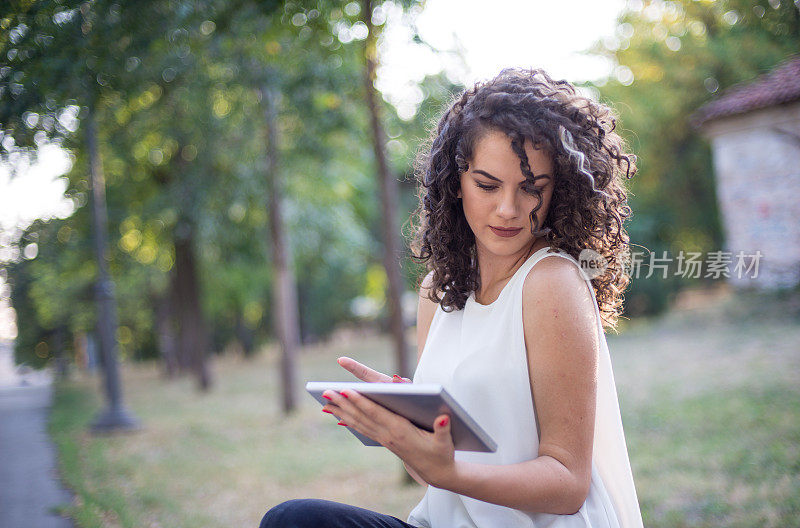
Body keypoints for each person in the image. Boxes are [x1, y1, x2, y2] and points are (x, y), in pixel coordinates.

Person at [259, 67, 643, 528]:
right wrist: (410, 428)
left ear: (558, 189)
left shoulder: (552, 283)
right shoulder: (437, 291)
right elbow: (428, 476)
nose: (508, 209)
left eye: (531, 188)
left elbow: (568, 484)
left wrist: (451, 472)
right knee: (294, 520)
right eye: (486, 185)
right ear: (454, 181)